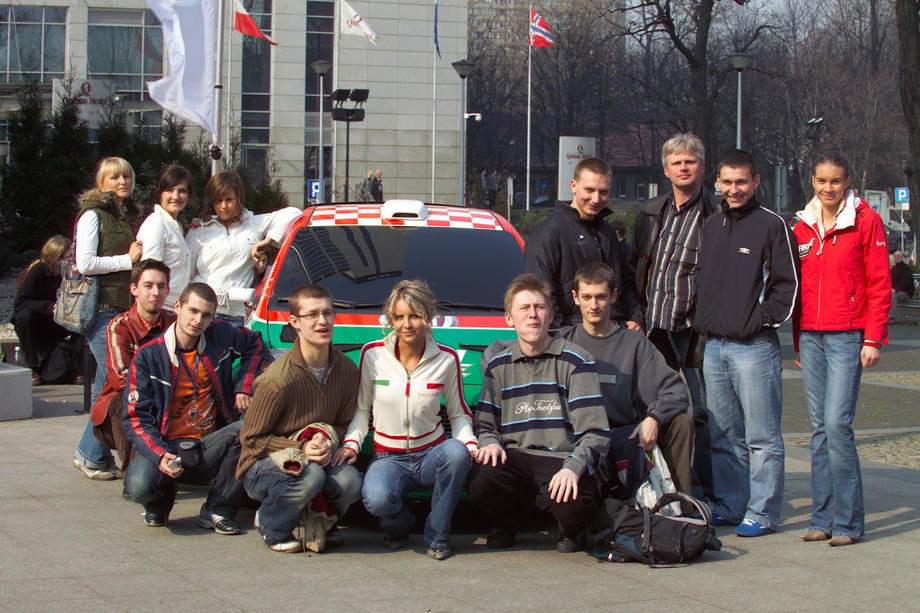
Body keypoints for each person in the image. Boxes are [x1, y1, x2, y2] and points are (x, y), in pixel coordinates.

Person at [694, 150, 799, 537]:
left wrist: (760, 320)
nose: (734, 189)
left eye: (741, 182)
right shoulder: (712, 224)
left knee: (762, 437)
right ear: (717, 182)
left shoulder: (772, 225)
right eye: (727, 182)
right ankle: (732, 503)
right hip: (715, 346)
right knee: (723, 435)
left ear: (756, 182)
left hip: (754, 348)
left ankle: (763, 511)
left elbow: (788, 285)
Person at [336, 280, 476, 561]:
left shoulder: (447, 358)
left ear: (428, 316)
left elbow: (458, 413)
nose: (407, 324)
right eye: (399, 317)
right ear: (390, 319)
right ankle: (400, 525)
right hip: (388, 457)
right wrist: (352, 443)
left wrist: (469, 443)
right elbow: (362, 410)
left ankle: (437, 536)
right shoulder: (372, 354)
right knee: (376, 499)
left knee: (457, 453)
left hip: (431, 454)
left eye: (415, 315)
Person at [469, 273, 610, 553]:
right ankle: (507, 524)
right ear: (509, 319)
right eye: (524, 308)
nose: (532, 315)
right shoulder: (497, 366)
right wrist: (489, 442)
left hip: (562, 458)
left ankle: (572, 530)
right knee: (479, 475)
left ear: (550, 315)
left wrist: (573, 468)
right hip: (517, 459)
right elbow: (484, 425)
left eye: (539, 307)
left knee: (572, 498)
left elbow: (596, 434)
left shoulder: (576, 361)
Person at [792, 154, 891, 547]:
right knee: (819, 429)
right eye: (821, 181)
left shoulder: (865, 220)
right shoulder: (802, 225)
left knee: (837, 425)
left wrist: (873, 338)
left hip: (848, 335)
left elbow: (879, 282)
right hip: (811, 336)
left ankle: (848, 522)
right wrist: (798, 341)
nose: (827, 188)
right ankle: (822, 518)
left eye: (835, 181)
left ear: (847, 182)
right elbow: (798, 289)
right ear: (812, 181)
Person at [123, 282, 270, 531]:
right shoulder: (149, 355)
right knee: (139, 486)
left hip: (208, 443)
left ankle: (218, 510)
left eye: (206, 315)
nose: (198, 320)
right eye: (193, 311)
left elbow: (254, 342)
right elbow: (135, 418)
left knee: (248, 428)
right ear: (177, 307)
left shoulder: (220, 335)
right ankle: (158, 502)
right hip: (166, 445)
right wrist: (160, 455)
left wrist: (244, 385)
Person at [237, 284, 362, 553]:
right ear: (294, 322)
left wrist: (327, 440)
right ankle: (271, 523)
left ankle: (320, 520)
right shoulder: (277, 379)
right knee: (310, 474)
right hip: (261, 467)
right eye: (312, 315)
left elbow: (343, 423)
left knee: (350, 482)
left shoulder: (347, 371)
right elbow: (251, 438)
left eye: (327, 313)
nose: (322, 321)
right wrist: (301, 447)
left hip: (318, 457)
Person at [558, 262, 694, 497]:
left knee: (682, 421)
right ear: (575, 297)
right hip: (577, 439)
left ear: (613, 296)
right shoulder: (562, 342)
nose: (594, 305)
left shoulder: (635, 343)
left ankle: (680, 504)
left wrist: (654, 417)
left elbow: (675, 391)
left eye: (601, 297)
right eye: (587, 297)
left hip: (626, 436)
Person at [631, 133, 717, 499]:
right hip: (654, 329)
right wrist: (636, 314)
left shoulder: (715, 215)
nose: (683, 168)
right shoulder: (651, 213)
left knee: (704, 412)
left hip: (694, 331)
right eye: (676, 162)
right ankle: (656, 480)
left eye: (690, 161)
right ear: (666, 170)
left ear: (702, 167)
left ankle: (706, 488)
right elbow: (637, 267)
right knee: (654, 407)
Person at [73, 156, 144, 481]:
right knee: (115, 383)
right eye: (114, 177)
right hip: (101, 310)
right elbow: (85, 263)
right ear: (101, 182)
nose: (122, 182)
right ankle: (91, 453)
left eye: (126, 176)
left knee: (107, 383)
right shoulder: (93, 215)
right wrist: (126, 260)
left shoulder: (122, 215)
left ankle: (92, 453)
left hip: (118, 310)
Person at [525, 157, 641, 329]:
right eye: (589, 190)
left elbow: (626, 281)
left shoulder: (607, 232)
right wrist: (561, 335)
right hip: (571, 332)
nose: (596, 199)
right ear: (573, 186)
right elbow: (541, 291)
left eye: (603, 192)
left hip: (613, 331)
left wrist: (635, 318)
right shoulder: (549, 232)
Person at [90, 259, 175, 474]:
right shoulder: (120, 326)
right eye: (148, 286)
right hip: (123, 407)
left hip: (168, 398)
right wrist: (162, 385)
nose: (155, 292)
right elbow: (120, 377)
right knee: (128, 398)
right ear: (134, 289)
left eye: (161, 286)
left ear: (168, 290)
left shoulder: (175, 323)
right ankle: (133, 475)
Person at [185, 171, 300, 325]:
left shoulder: (253, 224)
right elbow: (186, 273)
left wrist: (266, 242)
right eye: (218, 201)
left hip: (236, 316)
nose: (223, 206)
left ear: (238, 198)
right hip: (202, 313)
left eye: (229, 199)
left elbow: (294, 213)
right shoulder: (199, 230)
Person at [12, 235, 72, 385]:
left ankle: (78, 366)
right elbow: (21, 302)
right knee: (24, 317)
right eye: (62, 258)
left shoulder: (70, 271)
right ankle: (32, 366)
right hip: (40, 319)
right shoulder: (37, 271)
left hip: (61, 317)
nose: (65, 262)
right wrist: (49, 306)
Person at [136, 164, 194, 310]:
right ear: (160, 193)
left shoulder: (175, 225)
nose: (176, 196)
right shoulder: (157, 223)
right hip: (159, 309)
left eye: (182, 191)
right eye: (169, 190)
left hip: (173, 309)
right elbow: (149, 272)